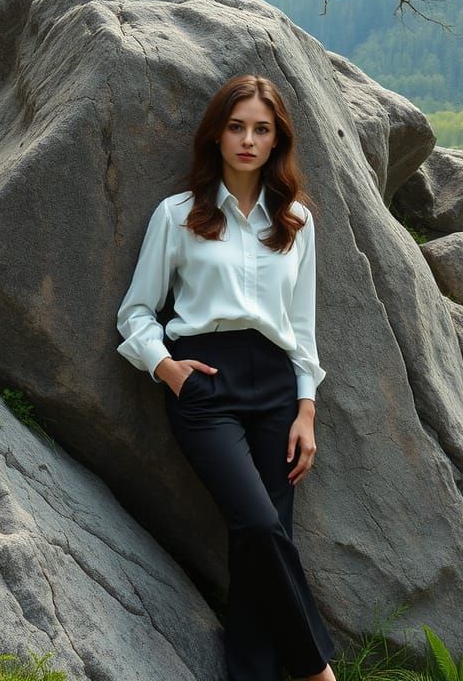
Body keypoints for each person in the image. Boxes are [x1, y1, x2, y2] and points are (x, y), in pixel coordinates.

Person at [115, 74, 337, 681]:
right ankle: (318, 671)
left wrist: (306, 409)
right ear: (216, 135)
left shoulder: (296, 221)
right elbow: (136, 310)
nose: (247, 139)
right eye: (236, 126)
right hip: (204, 385)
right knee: (260, 526)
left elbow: (302, 325)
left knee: (259, 545)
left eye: (261, 129)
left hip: (275, 388)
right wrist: (165, 366)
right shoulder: (179, 214)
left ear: (276, 142)